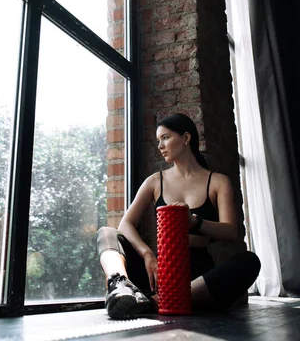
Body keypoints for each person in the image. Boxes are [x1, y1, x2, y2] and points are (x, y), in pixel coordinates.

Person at [97, 113, 261, 319]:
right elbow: (126, 224)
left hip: (195, 278)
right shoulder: (155, 181)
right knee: (107, 233)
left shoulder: (218, 182)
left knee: (249, 261)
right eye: (158, 140)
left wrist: (194, 221)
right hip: (157, 273)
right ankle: (120, 286)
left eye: (165, 138)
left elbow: (230, 231)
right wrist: (147, 254)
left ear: (186, 138)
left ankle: (154, 302)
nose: (160, 146)